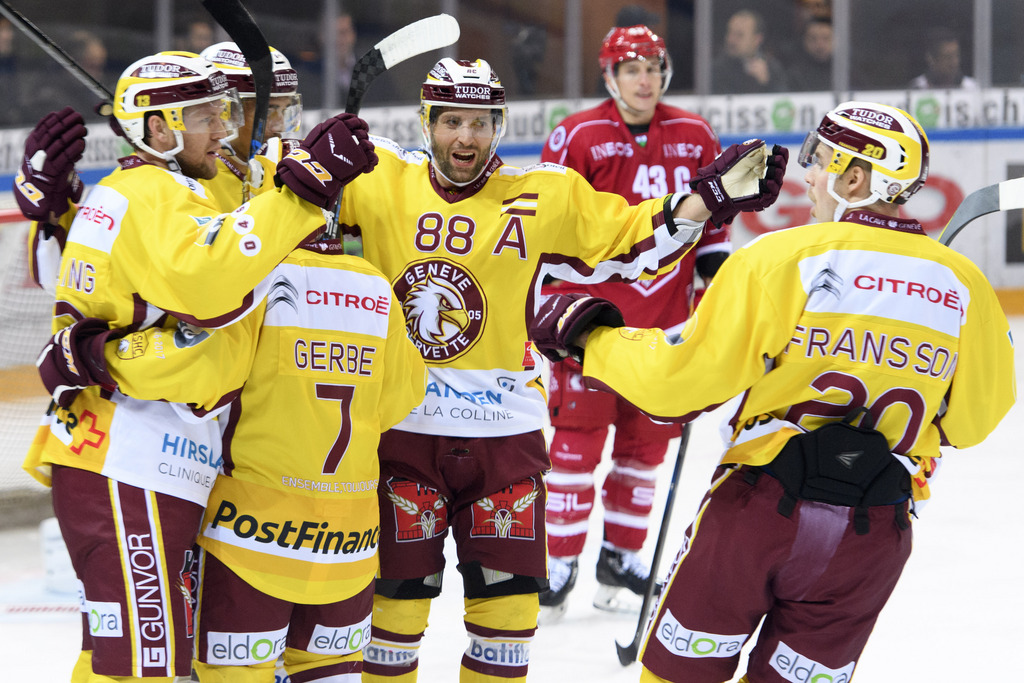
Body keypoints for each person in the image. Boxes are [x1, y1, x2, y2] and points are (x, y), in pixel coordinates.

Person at [327, 57, 785, 682]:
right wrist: (311, 157)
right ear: (426, 121)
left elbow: (629, 238)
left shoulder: (543, 193)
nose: (467, 137)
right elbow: (290, 208)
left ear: (500, 125)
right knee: (392, 618)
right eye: (452, 121)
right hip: (401, 434)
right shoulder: (378, 179)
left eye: (483, 123)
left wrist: (708, 200)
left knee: (508, 626)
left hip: (504, 442)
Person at [529, 101, 1015, 683]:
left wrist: (593, 339)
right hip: (871, 534)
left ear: (855, 178)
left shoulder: (780, 259)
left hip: (760, 512)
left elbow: (681, 382)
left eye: (822, 160)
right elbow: (973, 422)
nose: (808, 174)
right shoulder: (968, 289)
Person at [20, 50, 378, 682]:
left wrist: (61, 211)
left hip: (159, 456)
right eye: (210, 114)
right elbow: (214, 285)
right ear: (159, 129)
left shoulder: (177, 187)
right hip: (128, 455)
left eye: (227, 111)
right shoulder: (147, 192)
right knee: (144, 667)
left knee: (133, 656)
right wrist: (301, 194)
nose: (224, 128)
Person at [537, 24, 730, 621]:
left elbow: (714, 227)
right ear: (610, 76)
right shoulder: (577, 134)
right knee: (574, 447)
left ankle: (621, 557)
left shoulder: (695, 134)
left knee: (646, 448)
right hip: (590, 326)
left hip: (665, 329)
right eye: (631, 68)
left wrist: (715, 293)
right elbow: (549, 221)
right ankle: (559, 561)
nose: (644, 78)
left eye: (652, 66)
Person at [200, 41, 304, 204]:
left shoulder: (286, 173)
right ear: (224, 110)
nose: (280, 127)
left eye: (284, 110)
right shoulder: (193, 179)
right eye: (268, 111)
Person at [711, 9, 789, 94]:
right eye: (730, 32)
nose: (731, 40)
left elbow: (785, 102)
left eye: (739, 35)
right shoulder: (716, 69)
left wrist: (767, 82)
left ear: (757, 39)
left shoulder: (772, 69)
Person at [909, 27, 978, 90]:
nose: (954, 62)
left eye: (956, 56)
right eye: (948, 57)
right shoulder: (917, 88)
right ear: (931, 59)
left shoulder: (971, 88)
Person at [787, 17, 833, 92]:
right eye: (813, 39)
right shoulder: (795, 75)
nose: (820, 45)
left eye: (826, 38)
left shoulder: (850, 72)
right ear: (804, 41)